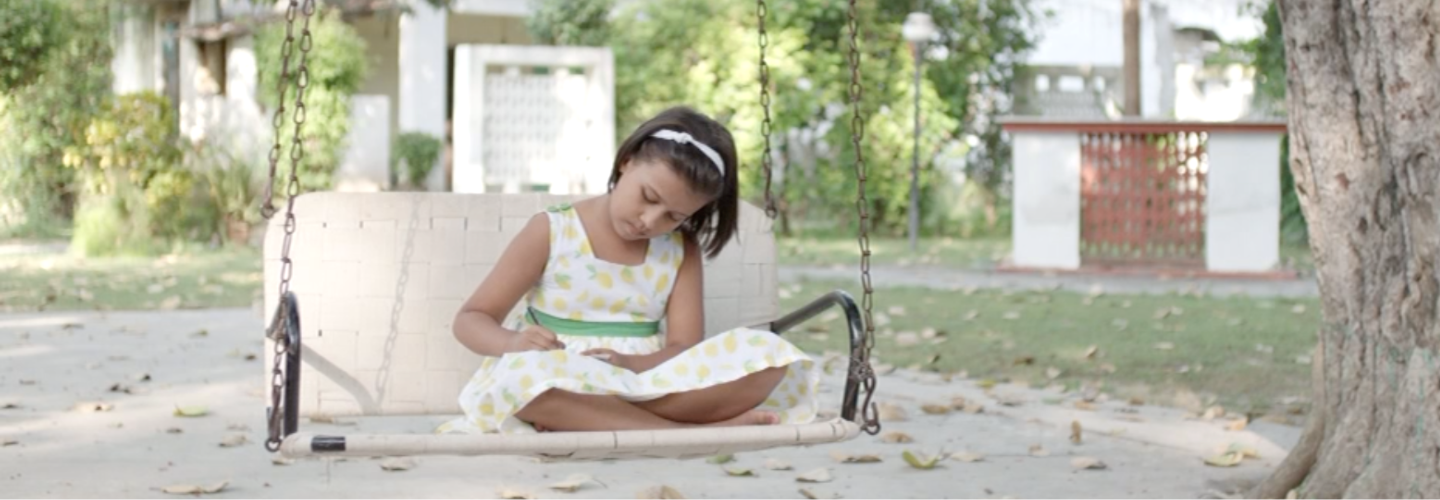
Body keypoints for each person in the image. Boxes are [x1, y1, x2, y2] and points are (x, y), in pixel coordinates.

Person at [438, 106, 819, 434]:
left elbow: (683, 349)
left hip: (645, 380)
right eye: (648, 197)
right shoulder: (553, 230)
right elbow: (471, 319)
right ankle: (676, 433)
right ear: (627, 162)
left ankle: (594, 418)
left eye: (674, 215)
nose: (649, 221)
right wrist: (512, 343)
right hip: (559, 373)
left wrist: (629, 365)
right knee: (526, 385)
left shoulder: (679, 249)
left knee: (769, 355)